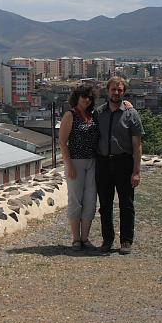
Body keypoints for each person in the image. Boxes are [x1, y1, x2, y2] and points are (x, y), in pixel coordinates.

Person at [95, 76, 144, 255]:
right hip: (103, 163)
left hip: (123, 162)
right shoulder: (99, 113)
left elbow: (137, 145)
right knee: (105, 205)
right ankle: (107, 239)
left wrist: (136, 171)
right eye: (113, 89)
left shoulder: (131, 114)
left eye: (120, 90)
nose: (116, 92)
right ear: (107, 91)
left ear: (124, 92)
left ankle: (126, 241)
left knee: (126, 204)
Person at [59, 85, 101, 251]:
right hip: (75, 162)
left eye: (89, 97)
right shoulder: (70, 115)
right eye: (84, 96)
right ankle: (76, 239)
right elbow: (62, 142)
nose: (87, 99)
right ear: (77, 97)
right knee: (75, 200)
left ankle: (85, 238)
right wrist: (68, 164)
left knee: (90, 200)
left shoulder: (92, 116)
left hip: (92, 162)